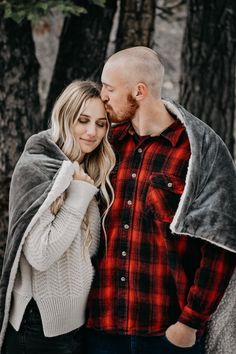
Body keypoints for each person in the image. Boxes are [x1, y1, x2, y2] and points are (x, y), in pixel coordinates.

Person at [85, 46, 236, 354]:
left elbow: (221, 243)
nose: (102, 96)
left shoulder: (198, 151)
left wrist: (189, 323)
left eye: (110, 88)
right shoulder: (107, 148)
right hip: (99, 327)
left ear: (139, 91)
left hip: (166, 333)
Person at [0, 80, 115, 354]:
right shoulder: (38, 167)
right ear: (65, 117)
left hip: (77, 326)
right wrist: (78, 195)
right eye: (83, 120)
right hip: (38, 327)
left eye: (101, 124)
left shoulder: (90, 169)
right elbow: (40, 254)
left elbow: (88, 252)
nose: (92, 132)